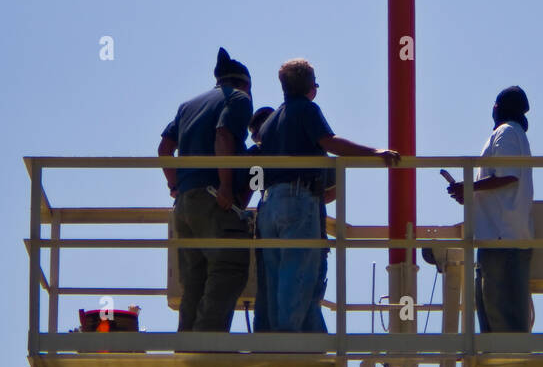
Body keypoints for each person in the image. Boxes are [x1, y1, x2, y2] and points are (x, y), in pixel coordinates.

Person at [256, 58, 399, 332]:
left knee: (274, 274)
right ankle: (289, 343)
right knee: (299, 273)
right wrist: (374, 153)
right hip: (299, 198)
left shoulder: (270, 122)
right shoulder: (306, 110)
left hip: (269, 202)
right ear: (311, 86)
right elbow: (329, 142)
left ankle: (289, 340)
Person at [159, 47, 254, 332]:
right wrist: (226, 186)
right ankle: (209, 346)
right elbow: (223, 135)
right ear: (245, 83)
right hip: (214, 199)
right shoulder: (239, 99)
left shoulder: (188, 105)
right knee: (228, 268)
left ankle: (187, 345)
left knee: (195, 279)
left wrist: (175, 184)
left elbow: (164, 149)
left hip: (186, 205)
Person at [447, 86, 534, 332]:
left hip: (501, 238)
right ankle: (501, 361)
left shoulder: (506, 133)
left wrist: (470, 186)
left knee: (500, 316)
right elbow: (505, 180)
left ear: (496, 108)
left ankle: (506, 365)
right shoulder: (514, 134)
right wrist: (472, 192)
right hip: (499, 237)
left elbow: (508, 176)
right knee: (495, 311)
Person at [246, 106, 275, 333]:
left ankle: (264, 342)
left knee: (267, 285)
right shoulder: (301, 144)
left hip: (267, 214)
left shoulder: (257, 154)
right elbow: (331, 190)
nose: (255, 140)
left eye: (255, 135)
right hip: (305, 213)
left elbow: (249, 189)